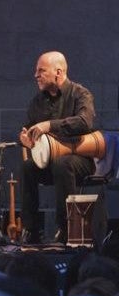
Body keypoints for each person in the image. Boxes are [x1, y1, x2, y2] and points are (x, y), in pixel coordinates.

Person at [18, 50, 96, 244]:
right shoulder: (38, 100)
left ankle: (65, 227)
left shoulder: (80, 94)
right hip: (51, 161)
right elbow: (28, 127)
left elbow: (84, 123)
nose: (36, 75)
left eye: (41, 70)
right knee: (27, 168)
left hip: (79, 159)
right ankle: (31, 229)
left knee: (63, 164)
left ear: (59, 72)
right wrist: (25, 138)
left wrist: (49, 125)